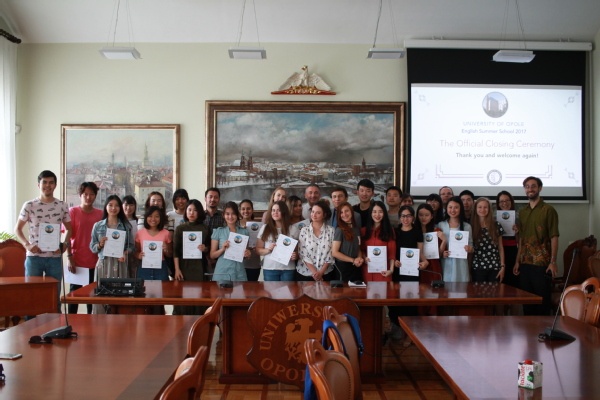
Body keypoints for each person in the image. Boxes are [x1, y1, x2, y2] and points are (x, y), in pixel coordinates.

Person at [15, 170, 72, 315]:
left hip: (54, 258)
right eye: (44, 182)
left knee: (54, 297)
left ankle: (56, 326)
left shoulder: (62, 205)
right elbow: (18, 229)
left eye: (51, 182)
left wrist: (65, 245)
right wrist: (27, 245)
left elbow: (69, 229)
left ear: (55, 185)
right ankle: (30, 327)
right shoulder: (29, 205)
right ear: (38, 184)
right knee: (31, 296)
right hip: (34, 258)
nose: (48, 185)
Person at [514, 176, 559, 316]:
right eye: (527, 186)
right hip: (525, 263)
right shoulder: (522, 211)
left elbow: (554, 236)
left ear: (540, 188)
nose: (530, 189)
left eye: (533, 186)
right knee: (527, 303)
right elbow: (521, 239)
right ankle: (529, 330)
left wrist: (553, 262)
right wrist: (517, 261)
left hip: (542, 264)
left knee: (542, 303)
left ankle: (543, 330)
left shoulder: (549, 210)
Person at [90, 195, 135, 314]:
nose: (113, 208)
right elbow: (92, 247)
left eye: (116, 205)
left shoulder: (126, 226)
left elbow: (131, 246)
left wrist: (125, 252)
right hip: (104, 264)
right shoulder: (98, 226)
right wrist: (100, 245)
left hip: (120, 264)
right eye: (110, 205)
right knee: (101, 297)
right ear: (106, 207)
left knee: (121, 296)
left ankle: (120, 323)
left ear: (120, 208)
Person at [66, 182, 103, 314]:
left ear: (95, 196)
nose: (88, 197)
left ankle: (91, 322)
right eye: (85, 194)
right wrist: (69, 257)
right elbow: (67, 237)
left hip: (95, 260)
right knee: (74, 294)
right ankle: (71, 321)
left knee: (92, 295)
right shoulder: (72, 212)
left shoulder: (100, 214)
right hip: (77, 260)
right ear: (80, 195)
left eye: (91, 194)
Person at [172, 199, 210, 315]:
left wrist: (205, 248)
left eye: (195, 210)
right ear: (186, 211)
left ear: (199, 212)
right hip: (184, 267)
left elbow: (209, 247)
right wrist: (177, 269)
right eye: (189, 210)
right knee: (184, 297)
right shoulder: (180, 228)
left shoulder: (205, 228)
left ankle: (199, 324)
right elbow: (175, 250)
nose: (192, 213)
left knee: (199, 297)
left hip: (199, 267)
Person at [256, 201, 299, 281]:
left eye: (278, 210)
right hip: (270, 269)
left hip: (288, 269)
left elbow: (297, 251)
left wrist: (296, 255)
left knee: (287, 290)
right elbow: (258, 250)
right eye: (273, 210)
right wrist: (268, 250)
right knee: (270, 290)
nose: (275, 212)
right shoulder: (265, 228)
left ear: (284, 212)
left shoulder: (293, 229)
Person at [210, 201, 250, 282]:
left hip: (239, 271)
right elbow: (212, 255)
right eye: (227, 214)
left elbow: (245, 255)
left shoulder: (244, 232)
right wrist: (222, 249)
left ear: (237, 215)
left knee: (240, 290)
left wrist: (247, 254)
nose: (230, 217)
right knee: (220, 291)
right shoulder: (218, 231)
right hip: (222, 271)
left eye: (233, 214)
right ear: (223, 215)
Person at [297, 200, 336, 281]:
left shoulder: (331, 230)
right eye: (313, 211)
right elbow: (303, 253)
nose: (314, 215)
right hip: (306, 273)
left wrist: (321, 272)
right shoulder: (304, 230)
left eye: (318, 213)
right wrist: (315, 272)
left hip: (326, 273)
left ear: (324, 215)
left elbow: (331, 252)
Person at [470, 197, 505, 283]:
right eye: (480, 207)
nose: (482, 209)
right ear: (475, 209)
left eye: (485, 207)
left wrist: (502, 266)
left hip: (494, 267)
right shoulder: (470, 226)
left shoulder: (496, 225)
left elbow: (500, 247)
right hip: (477, 267)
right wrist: (468, 269)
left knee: (495, 291)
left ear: (489, 209)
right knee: (478, 291)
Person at [439, 196, 473, 282]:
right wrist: (442, 254)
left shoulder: (467, 226)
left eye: (456, 207)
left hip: (461, 265)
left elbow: (471, 248)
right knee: (445, 288)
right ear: (446, 208)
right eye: (450, 207)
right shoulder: (440, 225)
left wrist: (470, 249)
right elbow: (436, 248)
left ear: (461, 209)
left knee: (461, 288)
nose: (453, 210)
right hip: (446, 264)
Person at [361, 201, 396, 282]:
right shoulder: (363, 231)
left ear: (384, 214)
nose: (377, 215)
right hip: (367, 271)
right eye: (374, 212)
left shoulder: (390, 231)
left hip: (384, 272)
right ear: (371, 213)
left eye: (380, 212)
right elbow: (361, 250)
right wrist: (364, 258)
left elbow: (392, 253)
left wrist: (391, 270)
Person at [135, 205, 172, 281]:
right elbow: (136, 251)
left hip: (161, 267)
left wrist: (166, 250)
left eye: (156, 216)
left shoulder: (166, 233)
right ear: (146, 218)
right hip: (144, 267)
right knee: (143, 288)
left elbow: (170, 254)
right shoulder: (140, 233)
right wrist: (138, 255)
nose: (153, 219)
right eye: (150, 216)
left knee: (162, 288)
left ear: (160, 218)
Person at [331, 202, 364, 282]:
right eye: (341, 212)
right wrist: (353, 260)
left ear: (351, 212)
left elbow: (358, 248)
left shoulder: (356, 229)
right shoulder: (339, 230)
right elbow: (334, 253)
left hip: (356, 266)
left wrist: (359, 258)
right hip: (343, 267)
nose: (344, 214)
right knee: (345, 289)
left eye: (346, 211)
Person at [495, 190, 520, 288]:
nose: (504, 203)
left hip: (512, 251)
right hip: (498, 252)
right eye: (501, 201)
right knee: (499, 283)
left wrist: (517, 232)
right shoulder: (494, 219)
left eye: (507, 200)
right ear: (498, 204)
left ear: (511, 202)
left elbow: (520, 242)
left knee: (512, 282)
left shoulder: (517, 218)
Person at [416, 204, 445, 285]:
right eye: (421, 215)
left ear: (432, 216)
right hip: (417, 264)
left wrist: (444, 240)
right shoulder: (414, 231)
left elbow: (440, 254)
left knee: (434, 290)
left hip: (433, 265)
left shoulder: (437, 231)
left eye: (427, 215)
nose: (423, 217)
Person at [240, 199, 262, 281]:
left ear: (252, 210)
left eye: (248, 208)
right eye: (243, 209)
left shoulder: (259, 226)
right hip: (239, 264)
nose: (246, 211)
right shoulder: (236, 225)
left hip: (254, 263)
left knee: (252, 288)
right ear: (240, 211)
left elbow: (263, 243)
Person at [122, 195, 140, 278]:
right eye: (126, 205)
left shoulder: (139, 221)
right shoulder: (119, 222)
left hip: (137, 254)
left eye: (131, 205)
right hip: (123, 254)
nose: (128, 208)